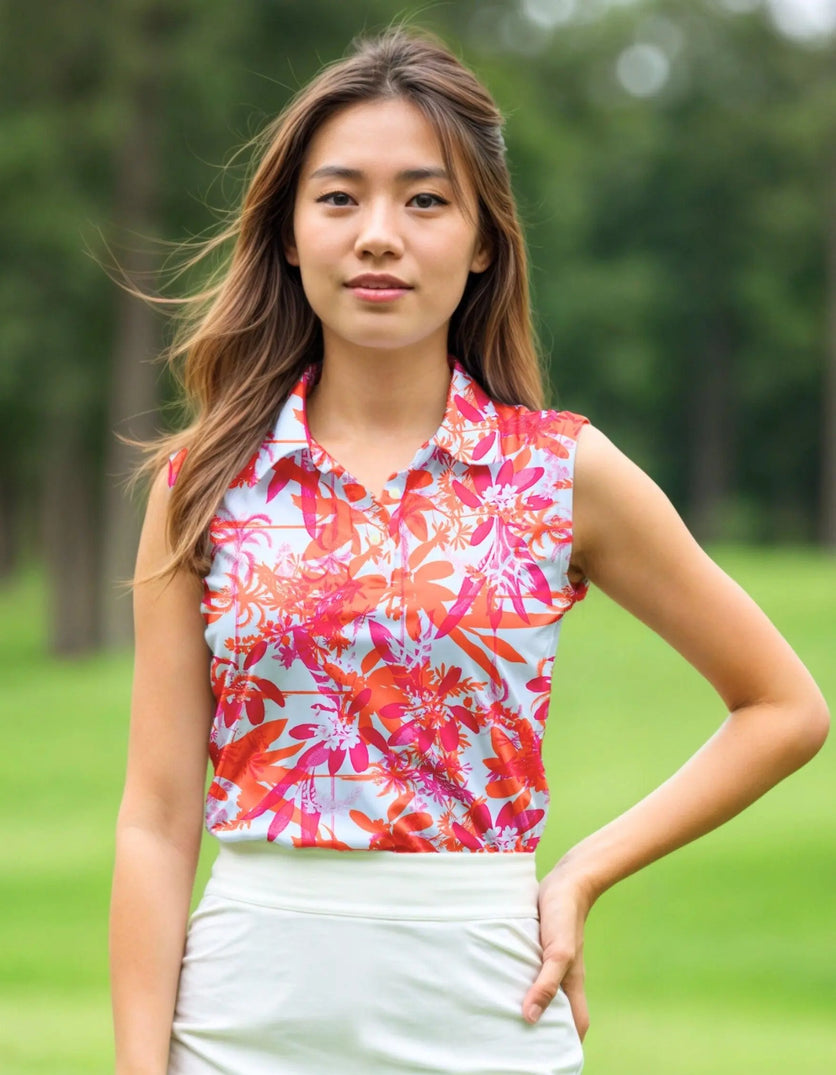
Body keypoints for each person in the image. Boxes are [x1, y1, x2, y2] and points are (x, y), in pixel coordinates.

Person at [108, 22, 829, 1075]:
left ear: (483, 236)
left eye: (424, 198)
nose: (378, 234)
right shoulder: (203, 483)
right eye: (340, 197)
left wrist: (580, 871)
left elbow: (782, 706)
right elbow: (157, 821)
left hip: (483, 1012)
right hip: (238, 1023)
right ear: (290, 233)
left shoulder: (559, 472)